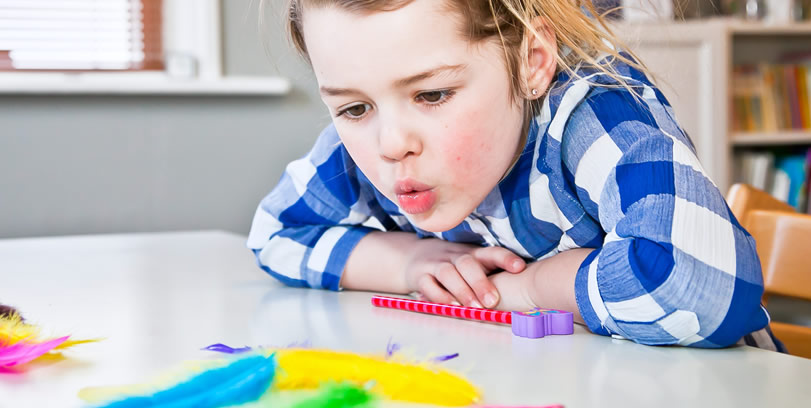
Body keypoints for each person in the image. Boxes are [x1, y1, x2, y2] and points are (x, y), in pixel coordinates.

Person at [248, 0, 783, 351]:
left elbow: (700, 287)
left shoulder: (594, 113)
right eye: (353, 107)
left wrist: (531, 288)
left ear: (533, 60)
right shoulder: (368, 143)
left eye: (431, 94)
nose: (390, 145)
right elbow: (274, 232)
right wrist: (408, 263)